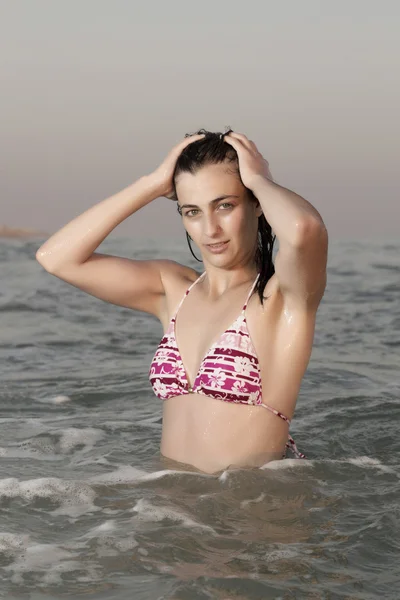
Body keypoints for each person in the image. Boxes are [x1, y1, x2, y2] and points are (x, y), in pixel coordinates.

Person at [36, 128, 328, 474]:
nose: (210, 229)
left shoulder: (282, 297)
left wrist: (259, 178)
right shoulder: (173, 291)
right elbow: (56, 258)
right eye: (192, 212)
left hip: (249, 516)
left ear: (256, 205)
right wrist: (151, 184)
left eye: (225, 205)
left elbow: (304, 229)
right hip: (169, 512)